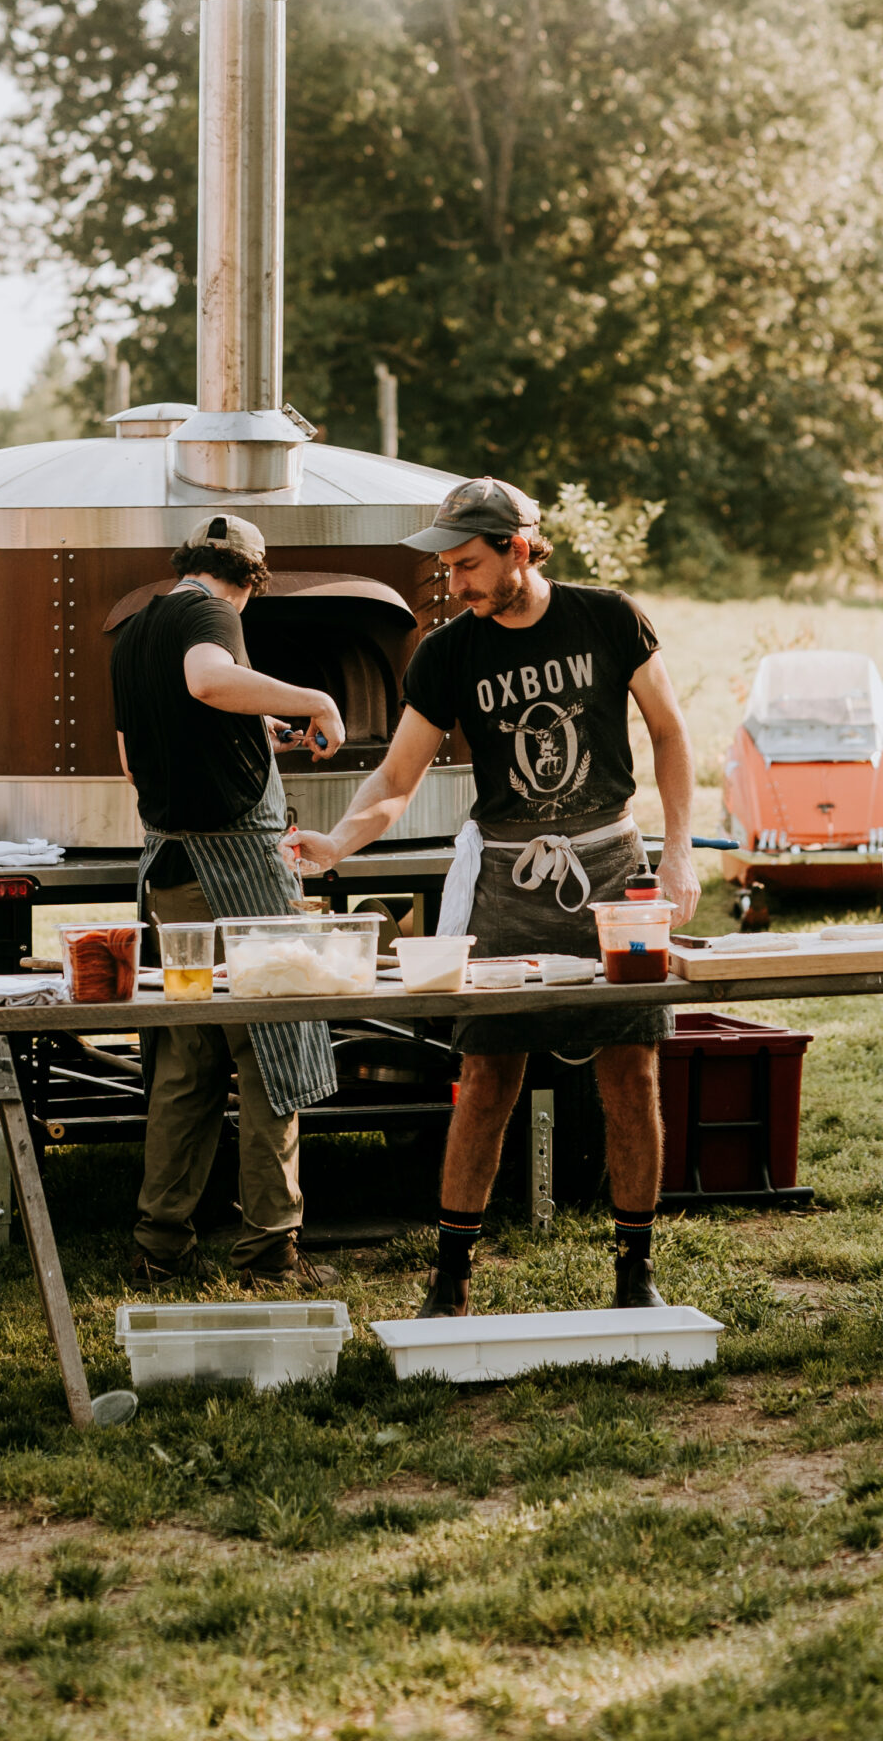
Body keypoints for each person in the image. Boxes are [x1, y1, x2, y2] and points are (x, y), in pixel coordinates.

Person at [295, 475, 699, 1316]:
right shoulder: (448, 653)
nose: (455, 583)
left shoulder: (607, 617)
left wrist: (681, 853)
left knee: (630, 1072)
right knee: (485, 1077)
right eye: (447, 567)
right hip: (507, 883)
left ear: (519, 549)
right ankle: (450, 1280)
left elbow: (668, 732)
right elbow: (395, 779)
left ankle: (635, 1275)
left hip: (614, 875)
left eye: (468, 564)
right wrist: (336, 842)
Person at [111, 511, 347, 1287]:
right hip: (239, 870)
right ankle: (270, 1252)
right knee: (272, 1048)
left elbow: (133, 759)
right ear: (249, 579)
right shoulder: (211, 612)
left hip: (171, 872)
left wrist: (254, 729)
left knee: (188, 1060)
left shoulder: (136, 630)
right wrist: (314, 699)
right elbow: (208, 680)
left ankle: (160, 1246)